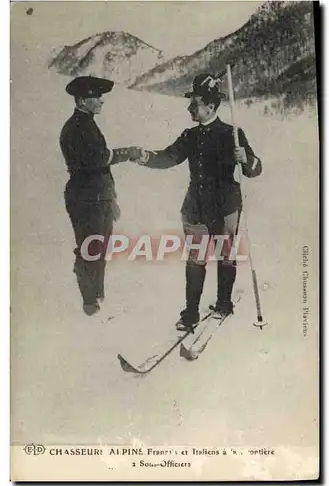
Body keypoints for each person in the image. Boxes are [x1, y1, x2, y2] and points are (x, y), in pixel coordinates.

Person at [129, 73, 262, 330]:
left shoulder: (232, 134)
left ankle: (224, 303)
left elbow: (255, 170)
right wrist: (143, 156)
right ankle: (191, 313)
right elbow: (168, 157)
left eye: (195, 103)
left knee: (225, 255)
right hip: (196, 207)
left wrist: (245, 158)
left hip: (225, 206)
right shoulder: (189, 136)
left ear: (210, 106)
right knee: (195, 259)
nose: (190, 108)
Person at [60, 76, 140, 316]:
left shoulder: (86, 123)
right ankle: (89, 302)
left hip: (97, 197)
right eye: (97, 97)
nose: (102, 101)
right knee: (89, 248)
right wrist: (129, 153)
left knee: (99, 248)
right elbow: (98, 159)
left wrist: (110, 200)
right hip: (85, 199)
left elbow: (100, 167)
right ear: (83, 100)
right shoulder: (77, 127)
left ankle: (97, 295)